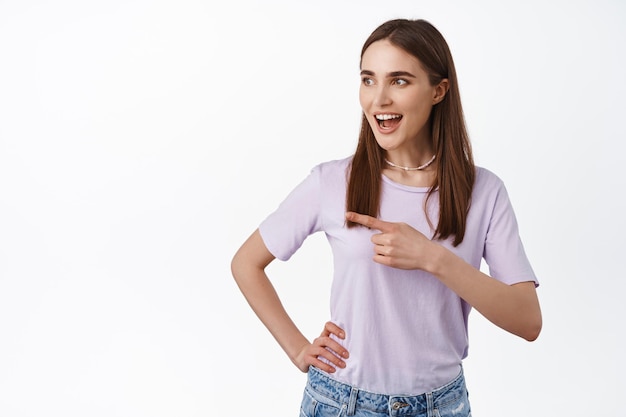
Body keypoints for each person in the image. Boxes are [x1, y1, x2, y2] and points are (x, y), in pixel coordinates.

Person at [231, 18, 542, 417]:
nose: (379, 99)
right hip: (341, 402)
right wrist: (297, 348)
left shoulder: (483, 192)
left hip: (441, 405)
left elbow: (527, 320)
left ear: (438, 91)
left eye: (399, 81)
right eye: (368, 79)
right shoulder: (331, 182)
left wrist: (433, 258)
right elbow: (246, 263)